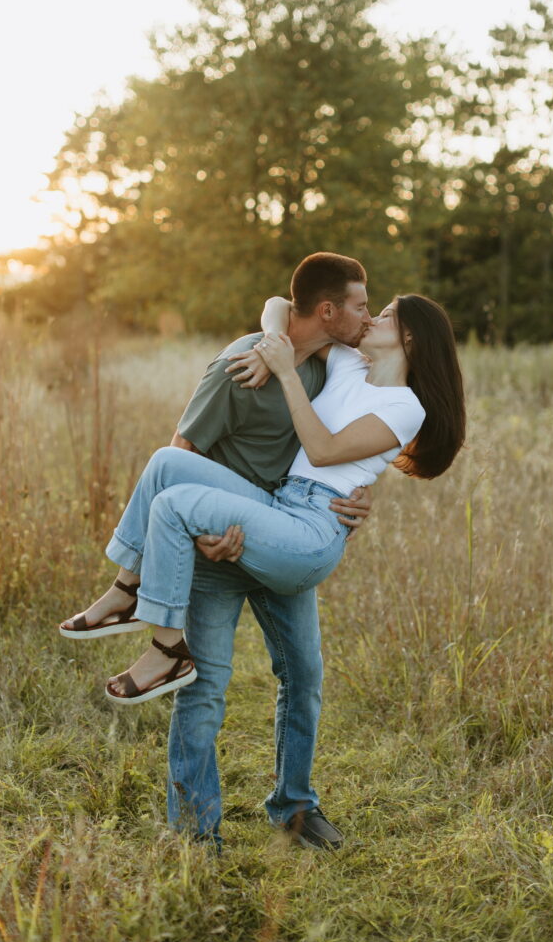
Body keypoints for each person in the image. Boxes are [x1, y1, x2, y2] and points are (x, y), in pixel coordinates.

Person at [61, 252, 374, 850]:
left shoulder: (332, 364)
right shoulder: (239, 365)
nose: (366, 314)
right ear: (329, 310)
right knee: (204, 688)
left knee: (304, 674)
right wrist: (204, 536)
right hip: (215, 543)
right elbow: (181, 451)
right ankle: (195, 834)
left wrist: (359, 502)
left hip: (283, 534)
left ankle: (295, 807)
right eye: (359, 304)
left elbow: (342, 448)